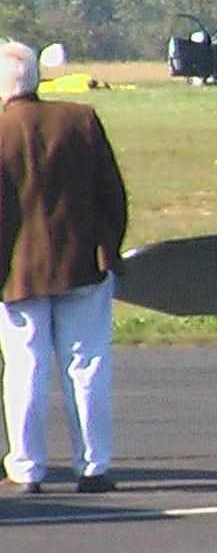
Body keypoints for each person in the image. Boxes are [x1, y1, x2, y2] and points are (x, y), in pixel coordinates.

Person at [0, 41, 128, 492]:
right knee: (88, 366)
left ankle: (28, 468)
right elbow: (113, 195)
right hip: (83, 266)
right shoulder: (81, 120)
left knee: (25, 369)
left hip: (17, 276)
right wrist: (108, 250)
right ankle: (93, 466)